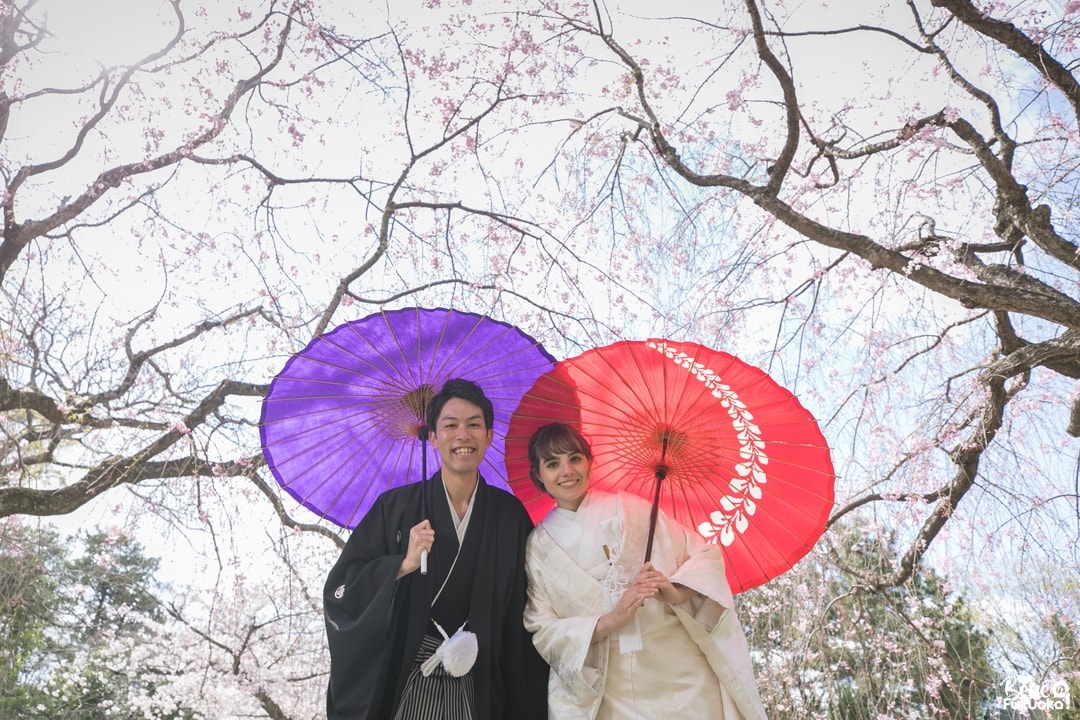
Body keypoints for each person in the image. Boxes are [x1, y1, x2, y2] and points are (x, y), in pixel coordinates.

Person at [323, 378, 548, 720]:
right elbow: (342, 589)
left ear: (488, 436)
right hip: (409, 682)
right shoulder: (395, 508)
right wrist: (402, 564)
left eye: (474, 425)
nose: (463, 435)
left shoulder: (509, 515)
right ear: (433, 437)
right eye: (450, 425)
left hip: (480, 686)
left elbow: (530, 604)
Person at [522, 422, 768, 719]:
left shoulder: (633, 509)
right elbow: (542, 628)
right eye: (552, 464)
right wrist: (608, 622)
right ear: (538, 474)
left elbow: (704, 558)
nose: (567, 471)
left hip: (675, 671)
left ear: (589, 461)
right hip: (603, 690)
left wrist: (675, 590)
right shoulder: (538, 547)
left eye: (575, 458)